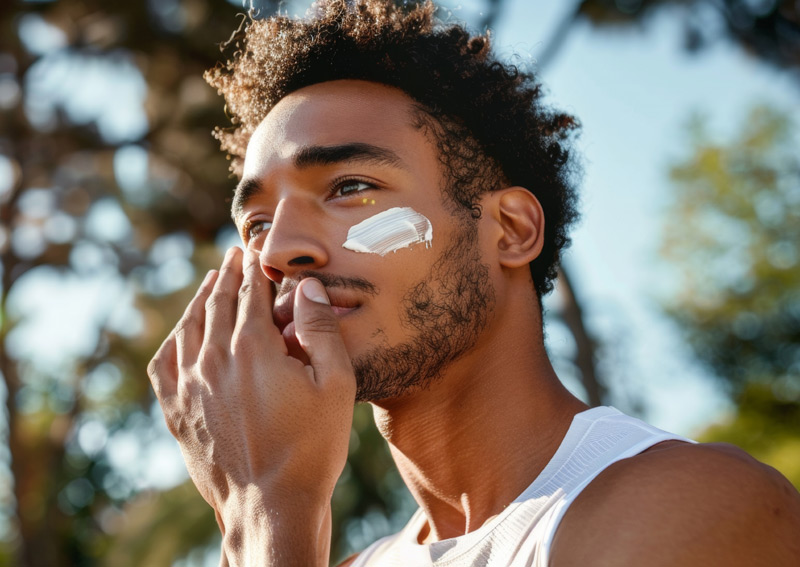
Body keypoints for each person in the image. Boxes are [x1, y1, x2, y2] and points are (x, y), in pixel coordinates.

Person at [147, 1, 800, 565]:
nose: (279, 249)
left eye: (350, 188)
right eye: (256, 221)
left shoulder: (688, 510)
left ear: (511, 229)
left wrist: (266, 505)